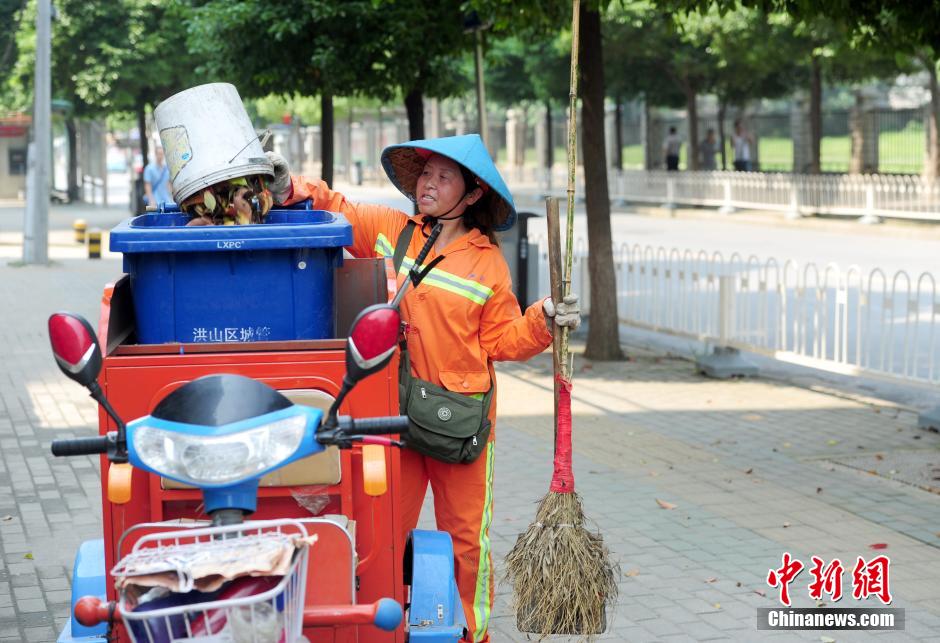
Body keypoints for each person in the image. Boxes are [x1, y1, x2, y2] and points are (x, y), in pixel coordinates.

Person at [266, 134, 580, 643]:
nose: (428, 184)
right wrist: (287, 187)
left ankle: (472, 634)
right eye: (426, 173)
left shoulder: (487, 263)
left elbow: (502, 341)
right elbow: (337, 207)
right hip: (394, 418)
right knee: (385, 532)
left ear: (472, 194)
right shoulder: (391, 232)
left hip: (462, 425)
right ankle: (383, 630)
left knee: (466, 543)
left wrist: (543, 318)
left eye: (443, 177)